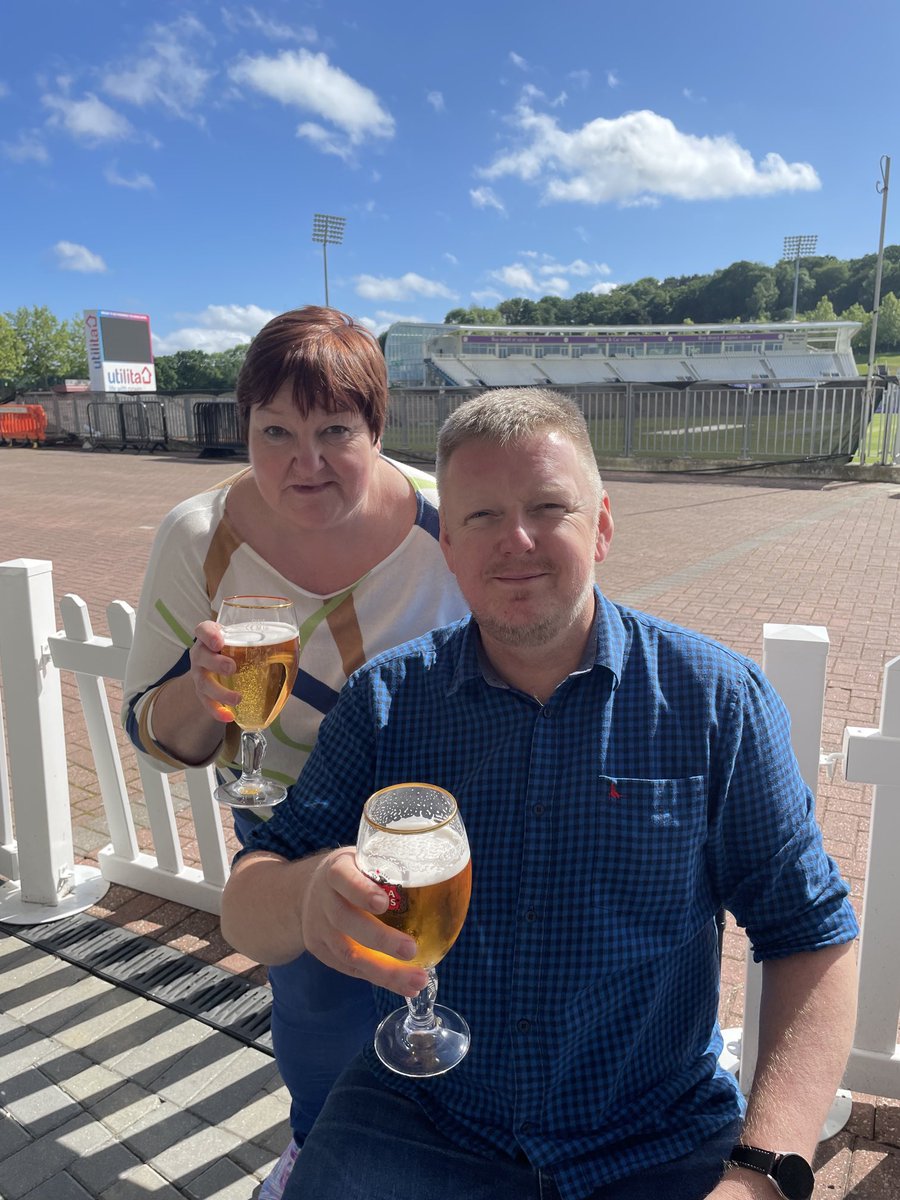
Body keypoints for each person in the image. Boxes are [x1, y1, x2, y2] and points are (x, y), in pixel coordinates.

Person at [221, 386, 860, 1200]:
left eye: (548, 506)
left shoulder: (714, 700)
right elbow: (248, 904)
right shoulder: (387, 700)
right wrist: (305, 893)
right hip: (424, 1121)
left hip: (653, 1130)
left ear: (601, 525)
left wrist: (766, 1174)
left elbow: (813, 935)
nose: (515, 540)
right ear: (447, 545)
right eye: (482, 517)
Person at [122, 306, 467, 1199]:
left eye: (334, 432)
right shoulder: (198, 538)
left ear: (378, 431)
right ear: (244, 429)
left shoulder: (449, 520)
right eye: (275, 431)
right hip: (289, 829)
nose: (303, 462)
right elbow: (152, 738)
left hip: (439, 828)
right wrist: (199, 697)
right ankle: (319, 1146)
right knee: (318, 1016)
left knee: (456, 1008)